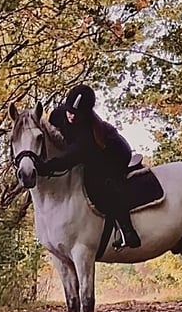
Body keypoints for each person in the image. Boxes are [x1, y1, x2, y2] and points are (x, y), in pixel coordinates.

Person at [39, 84, 141, 248]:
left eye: (77, 115)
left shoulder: (88, 130)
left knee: (101, 181)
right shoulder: (57, 115)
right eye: (70, 111)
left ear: (86, 114)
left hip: (113, 153)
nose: (71, 116)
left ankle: (127, 230)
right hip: (85, 153)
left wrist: (47, 167)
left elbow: (71, 157)